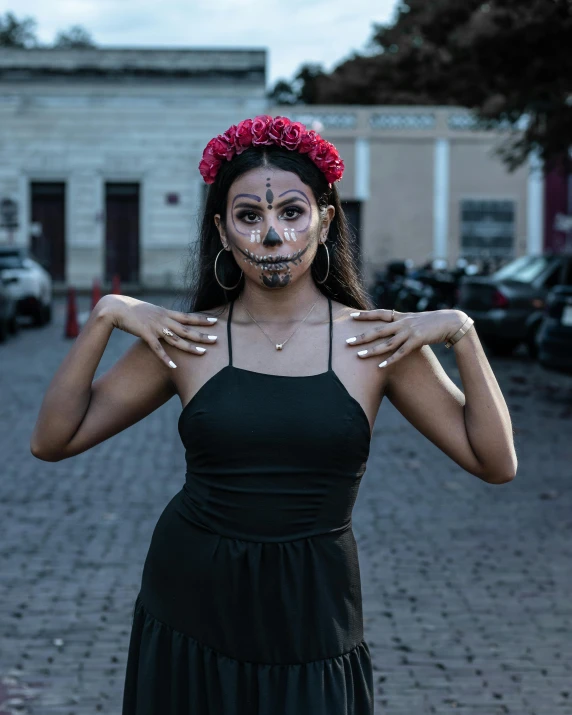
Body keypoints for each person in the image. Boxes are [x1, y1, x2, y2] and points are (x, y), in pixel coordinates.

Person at [30, 114, 518, 715]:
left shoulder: (378, 341)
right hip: (190, 597)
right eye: (249, 216)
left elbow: (495, 462)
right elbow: (53, 440)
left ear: (325, 218)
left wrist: (464, 335)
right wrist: (105, 315)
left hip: (314, 606)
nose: (271, 235)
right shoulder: (189, 338)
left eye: (290, 212)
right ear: (223, 229)